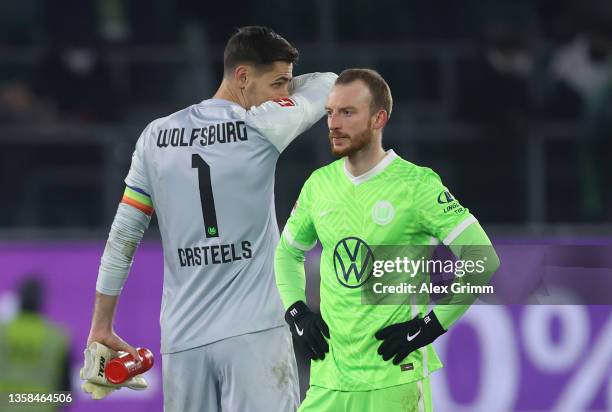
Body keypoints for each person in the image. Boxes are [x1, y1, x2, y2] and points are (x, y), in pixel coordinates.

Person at [83, 26, 337, 411]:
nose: (284, 95)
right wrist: (283, 99)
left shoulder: (155, 137)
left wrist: (101, 326)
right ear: (242, 77)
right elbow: (329, 84)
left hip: (184, 340)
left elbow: (122, 239)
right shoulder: (265, 126)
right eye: (278, 83)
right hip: (255, 334)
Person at [275, 68, 500, 412]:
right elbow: (287, 252)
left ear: (379, 118)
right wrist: (296, 311)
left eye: (347, 112)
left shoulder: (416, 185)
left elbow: (482, 259)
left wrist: (430, 326)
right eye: (330, 112)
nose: (334, 123)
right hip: (330, 381)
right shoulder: (318, 185)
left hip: (395, 381)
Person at [0, 277, 70, 411]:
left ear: (18, 300)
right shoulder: (56, 337)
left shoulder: (2, 332)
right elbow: (65, 389)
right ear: (41, 302)